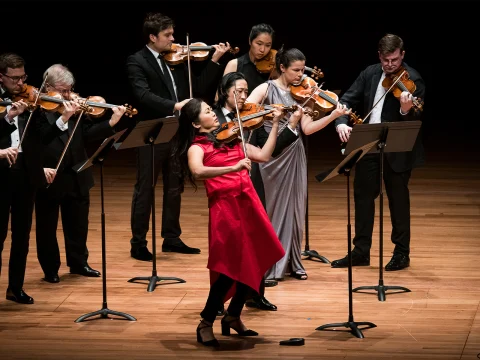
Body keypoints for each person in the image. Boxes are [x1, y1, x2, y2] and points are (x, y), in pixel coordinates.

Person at [170, 98, 285, 347]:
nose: (214, 114)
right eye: (208, 112)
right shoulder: (196, 147)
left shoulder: (232, 138)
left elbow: (264, 155)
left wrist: (275, 124)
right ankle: (205, 322)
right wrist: (233, 168)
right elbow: (198, 172)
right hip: (226, 211)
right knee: (228, 270)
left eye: (212, 110)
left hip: (249, 205)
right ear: (196, 123)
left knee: (256, 261)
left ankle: (233, 315)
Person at [126, 12, 230, 260]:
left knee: (175, 186)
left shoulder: (176, 60)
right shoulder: (137, 61)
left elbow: (199, 89)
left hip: (178, 132)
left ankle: (171, 238)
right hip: (153, 130)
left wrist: (214, 59)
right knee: (145, 188)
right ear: (152, 37)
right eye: (168, 35)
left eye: (173, 34)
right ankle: (138, 242)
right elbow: (143, 95)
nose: (173, 39)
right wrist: (175, 106)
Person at [247, 47, 350, 282]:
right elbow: (245, 113)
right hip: (273, 155)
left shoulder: (303, 91)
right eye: (296, 70)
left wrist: (333, 116)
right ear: (282, 68)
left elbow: (307, 129)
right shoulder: (266, 88)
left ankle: (293, 262)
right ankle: (271, 264)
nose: (301, 75)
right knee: (274, 210)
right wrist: (268, 116)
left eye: (303, 69)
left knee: (295, 210)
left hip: (295, 154)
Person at [331, 33, 425, 271]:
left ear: (402, 55)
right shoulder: (370, 73)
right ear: (379, 56)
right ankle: (361, 251)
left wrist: (405, 109)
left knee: (398, 201)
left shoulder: (413, 79)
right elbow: (347, 99)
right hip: (368, 144)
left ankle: (401, 253)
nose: (390, 65)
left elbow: (417, 113)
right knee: (363, 197)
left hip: (397, 148)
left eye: (394, 60)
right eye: (386, 60)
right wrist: (341, 121)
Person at [214, 71, 301, 312]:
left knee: (256, 240)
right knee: (226, 245)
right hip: (226, 184)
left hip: (253, 182)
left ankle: (255, 293)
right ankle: (219, 298)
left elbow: (267, 152)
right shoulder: (215, 117)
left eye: (245, 91)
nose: (244, 97)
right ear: (225, 91)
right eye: (238, 91)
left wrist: (285, 125)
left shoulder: (253, 115)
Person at [34, 64, 127, 284]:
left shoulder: (75, 108)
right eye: (62, 90)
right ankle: (50, 268)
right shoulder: (36, 111)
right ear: (47, 87)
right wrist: (64, 118)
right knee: (46, 226)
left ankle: (78, 263)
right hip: (50, 174)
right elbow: (42, 139)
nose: (68, 95)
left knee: (78, 223)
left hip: (77, 172)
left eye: (70, 90)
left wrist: (111, 122)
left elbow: (85, 136)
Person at [0, 53, 46, 304]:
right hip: (1, 173)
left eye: (23, 78)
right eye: (14, 79)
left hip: (26, 173)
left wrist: (54, 114)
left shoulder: (30, 99)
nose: (20, 84)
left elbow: (41, 136)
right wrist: (8, 117)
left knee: (21, 234)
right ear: (1, 77)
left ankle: (15, 288)